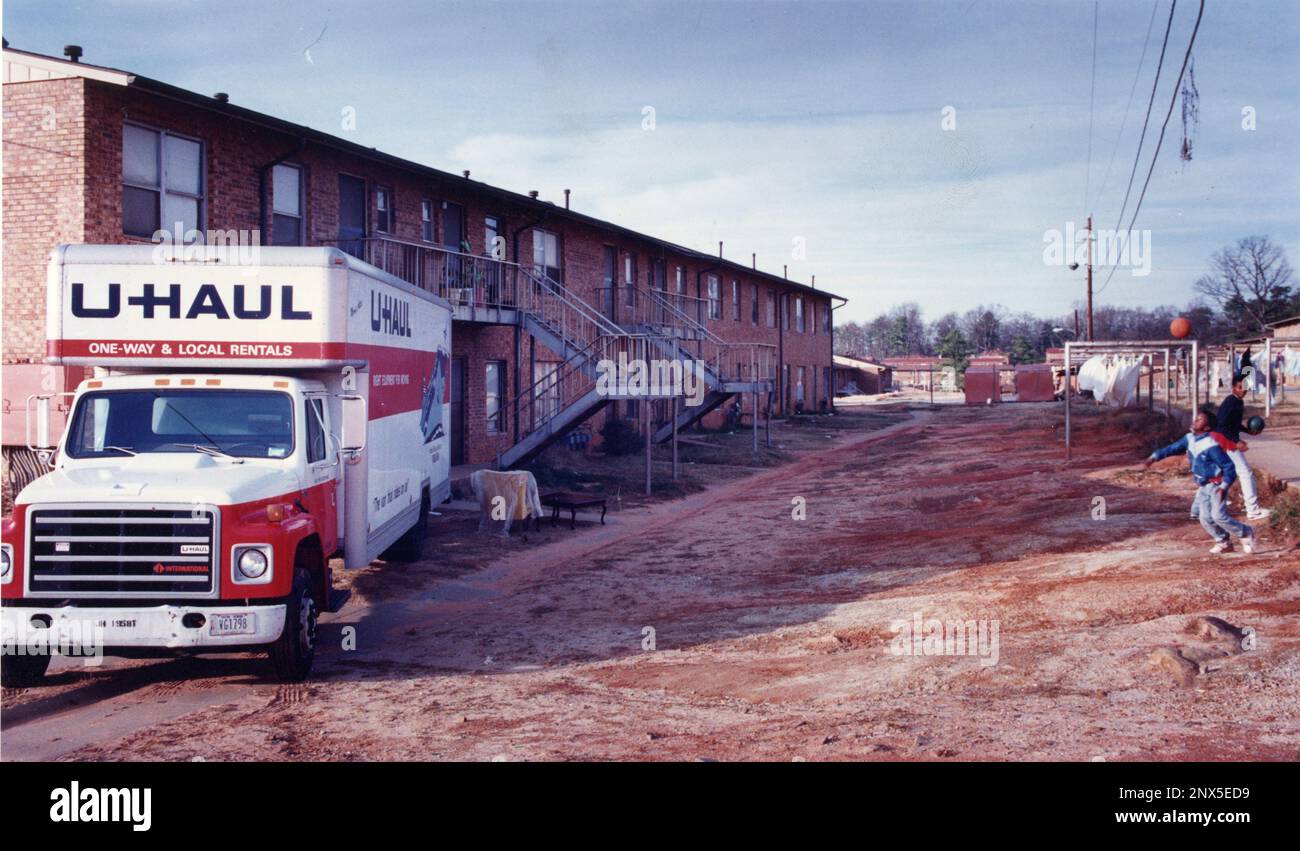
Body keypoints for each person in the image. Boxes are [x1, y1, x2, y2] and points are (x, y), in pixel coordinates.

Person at [1144, 412, 1256, 555]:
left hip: (1217, 485)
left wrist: (1224, 486)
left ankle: (1246, 533)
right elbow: (1172, 448)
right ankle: (1223, 542)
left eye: (1200, 420)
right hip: (1203, 486)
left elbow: (1229, 467)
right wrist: (1155, 456)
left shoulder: (1211, 445)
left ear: (1207, 427)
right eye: (1196, 418)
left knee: (1218, 516)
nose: (1195, 420)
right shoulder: (1189, 438)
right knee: (1204, 518)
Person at [1217, 375, 1269, 521]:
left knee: (1224, 474)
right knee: (1246, 472)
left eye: (1245, 387)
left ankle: (1210, 507)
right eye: (1240, 387)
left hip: (1225, 441)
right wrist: (1235, 442)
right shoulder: (1231, 402)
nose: (1243, 390)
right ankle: (1253, 510)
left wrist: (1247, 431)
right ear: (1233, 387)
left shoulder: (1237, 401)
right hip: (1225, 442)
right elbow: (1222, 425)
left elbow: (1233, 424)